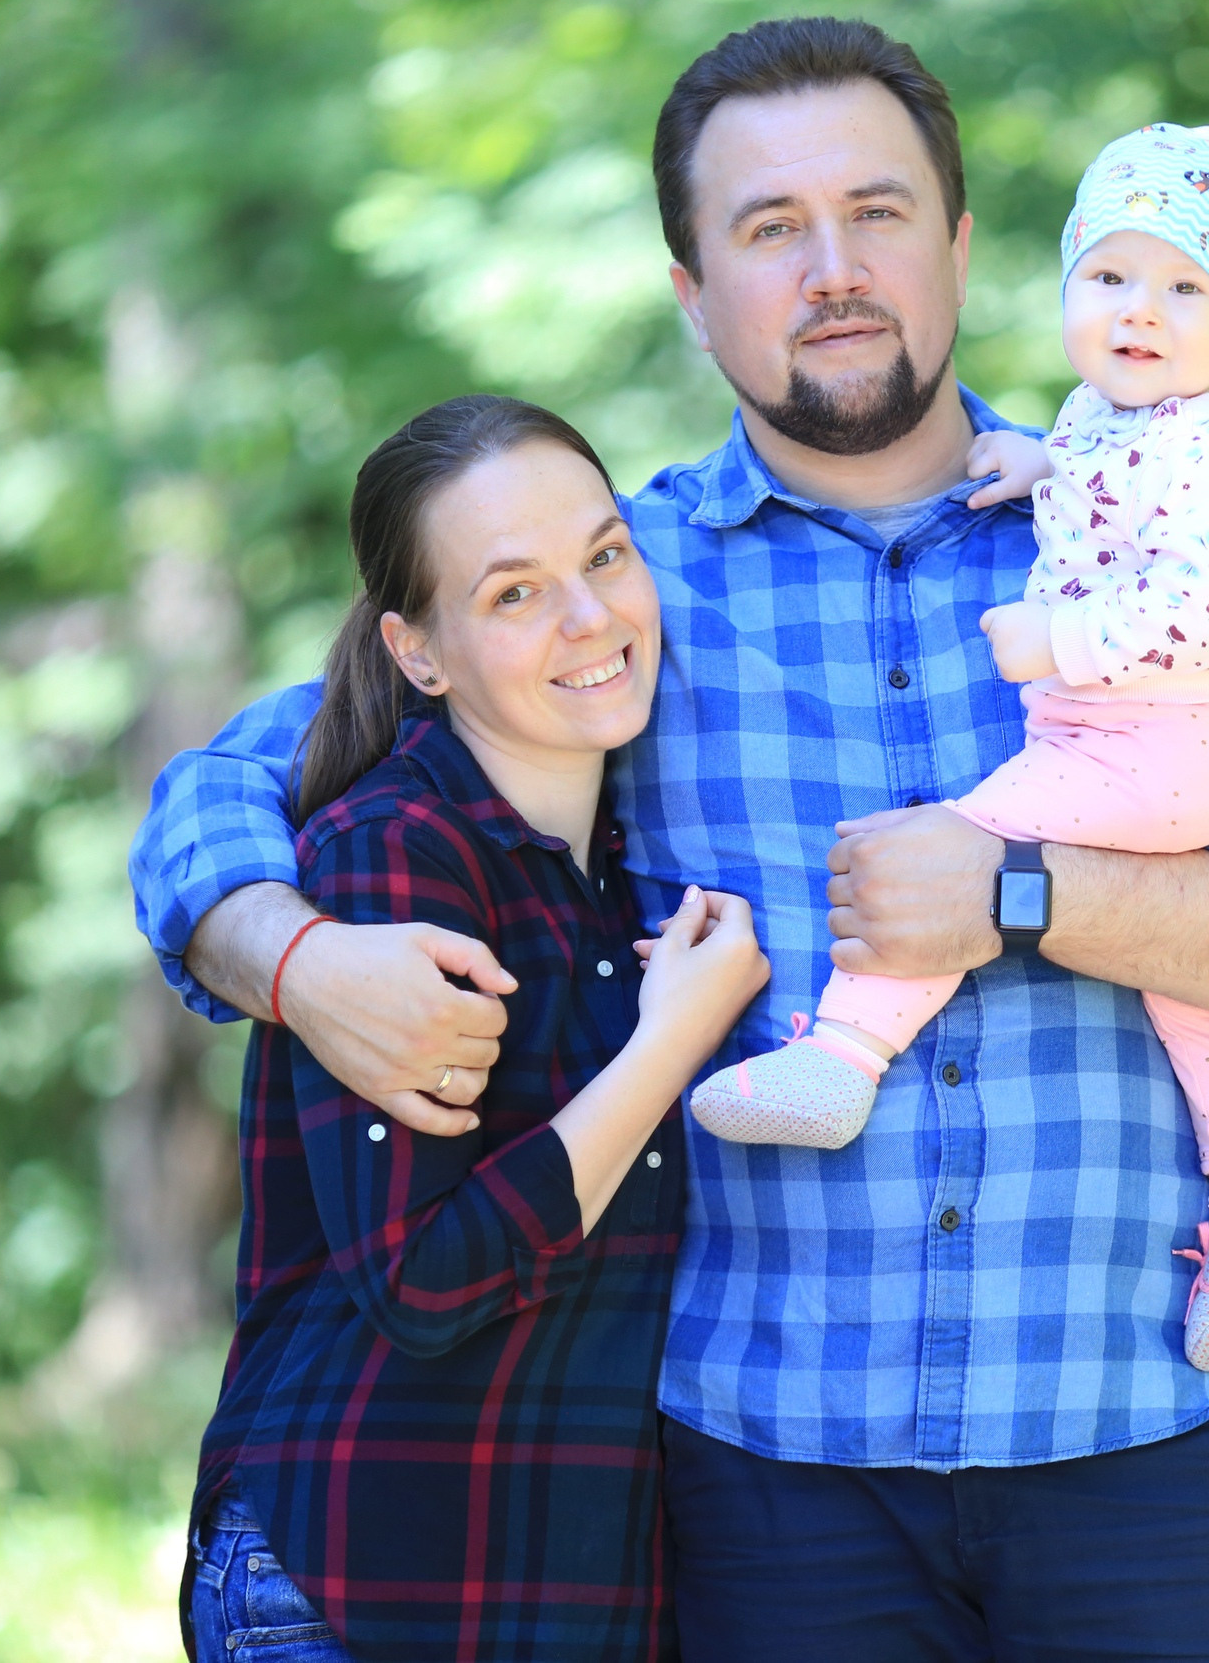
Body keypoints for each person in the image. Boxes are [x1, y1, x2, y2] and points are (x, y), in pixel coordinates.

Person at [136, 17, 1209, 1661]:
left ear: (960, 242)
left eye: (877, 211)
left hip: (1155, 1443)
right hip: (766, 1499)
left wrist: (1031, 891)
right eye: (770, 228)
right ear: (693, 291)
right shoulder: (619, 592)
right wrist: (295, 958)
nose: (834, 269)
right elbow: (233, 780)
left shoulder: (1164, 534)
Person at [689, 121, 1209, 1378]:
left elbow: (1202, 594)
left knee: (963, 844)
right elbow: (1116, 482)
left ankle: (844, 1053)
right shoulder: (1109, 420)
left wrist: (1061, 638)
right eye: (1110, 276)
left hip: (1163, 742)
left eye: (1184, 288)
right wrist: (1044, 465)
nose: (1138, 310)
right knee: (1190, 1002)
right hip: (1162, 753)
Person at [182, 394, 770, 1662]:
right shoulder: (392, 859)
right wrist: (667, 1047)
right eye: (514, 593)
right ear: (420, 654)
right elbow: (425, 1278)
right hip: (352, 1585)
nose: (588, 617)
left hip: (556, 1600)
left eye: (604, 556)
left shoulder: (623, 871)